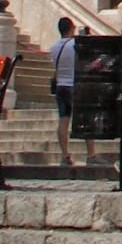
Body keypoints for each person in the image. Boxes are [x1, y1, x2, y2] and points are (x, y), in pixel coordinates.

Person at [48, 16, 93, 169]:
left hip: (61, 86)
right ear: (71, 28)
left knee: (63, 120)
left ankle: (65, 155)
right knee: (85, 119)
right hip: (75, 85)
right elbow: (85, 62)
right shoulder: (75, 44)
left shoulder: (53, 48)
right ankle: (91, 154)